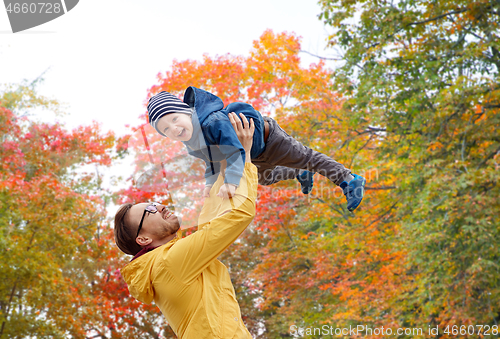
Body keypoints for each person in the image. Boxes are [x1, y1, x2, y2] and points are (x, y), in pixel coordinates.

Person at [115, 113, 257, 338]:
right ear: (143, 240)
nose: (160, 205)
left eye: (154, 202)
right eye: (150, 210)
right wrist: (245, 155)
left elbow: (212, 223)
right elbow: (239, 214)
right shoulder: (169, 262)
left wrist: (225, 159)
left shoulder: (170, 263)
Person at [147, 86, 366, 211]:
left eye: (175, 119)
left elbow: (235, 151)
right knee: (265, 179)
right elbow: (212, 162)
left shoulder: (212, 122)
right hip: (253, 155)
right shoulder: (192, 142)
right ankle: (299, 173)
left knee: (308, 158)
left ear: (187, 112)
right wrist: (210, 183)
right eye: (166, 129)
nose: (174, 128)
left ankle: (348, 178)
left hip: (270, 140)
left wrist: (231, 183)